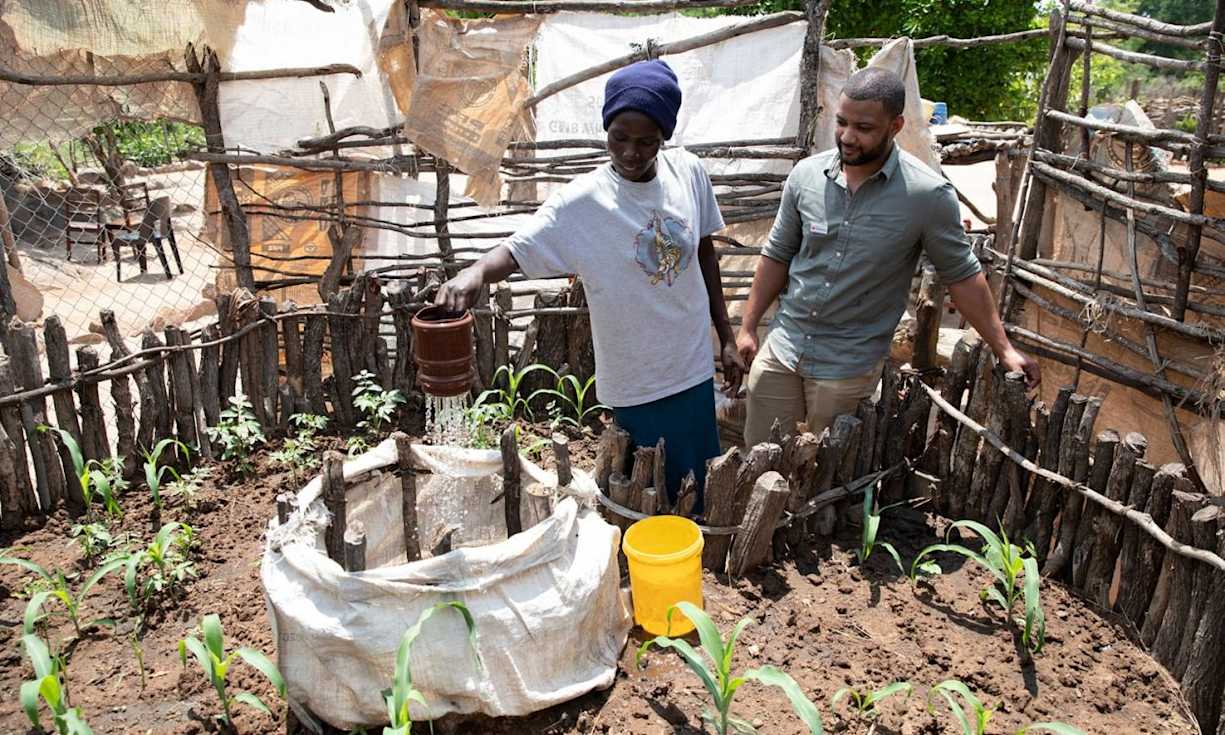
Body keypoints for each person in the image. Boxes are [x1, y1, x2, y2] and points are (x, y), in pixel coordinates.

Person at [435, 59, 744, 508]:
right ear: (606, 129)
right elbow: (518, 248)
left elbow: (702, 251)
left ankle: (694, 561)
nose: (632, 153)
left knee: (696, 483)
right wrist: (475, 273)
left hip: (691, 360)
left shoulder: (688, 173)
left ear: (665, 138)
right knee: (647, 487)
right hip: (637, 375)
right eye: (620, 138)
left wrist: (727, 336)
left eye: (647, 141)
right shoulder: (583, 204)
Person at [736, 68, 1040, 447]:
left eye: (863, 128)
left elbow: (962, 278)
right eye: (842, 122)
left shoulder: (926, 195)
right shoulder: (805, 177)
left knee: (826, 478)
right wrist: (749, 328)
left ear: (895, 126)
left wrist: (1004, 349)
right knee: (760, 461)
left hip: (846, 369)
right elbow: (777, 255)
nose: (847, 136)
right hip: (782, 349)